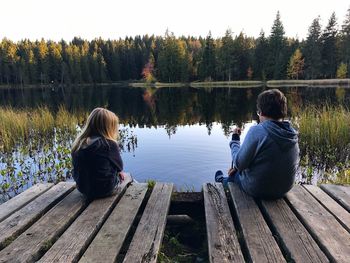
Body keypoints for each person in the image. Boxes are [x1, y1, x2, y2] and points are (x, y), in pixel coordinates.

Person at [215, 89, 299, 199]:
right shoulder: (291, 133)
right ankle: (227, 178)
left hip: (258, 190)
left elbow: (239, 163)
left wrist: (235, 139)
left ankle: (222, 181)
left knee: (234, 176)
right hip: (284, 189)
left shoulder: (258, 131)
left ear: (261, 112)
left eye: (258, 112)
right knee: (238, 170)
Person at [71, 107, 131, 200]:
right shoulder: (109, 144)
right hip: (104, 190)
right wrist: (120, 173)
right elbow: (119, 167)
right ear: (109, 127)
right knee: (127, 176)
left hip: (83, 189)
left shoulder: (78, 144)